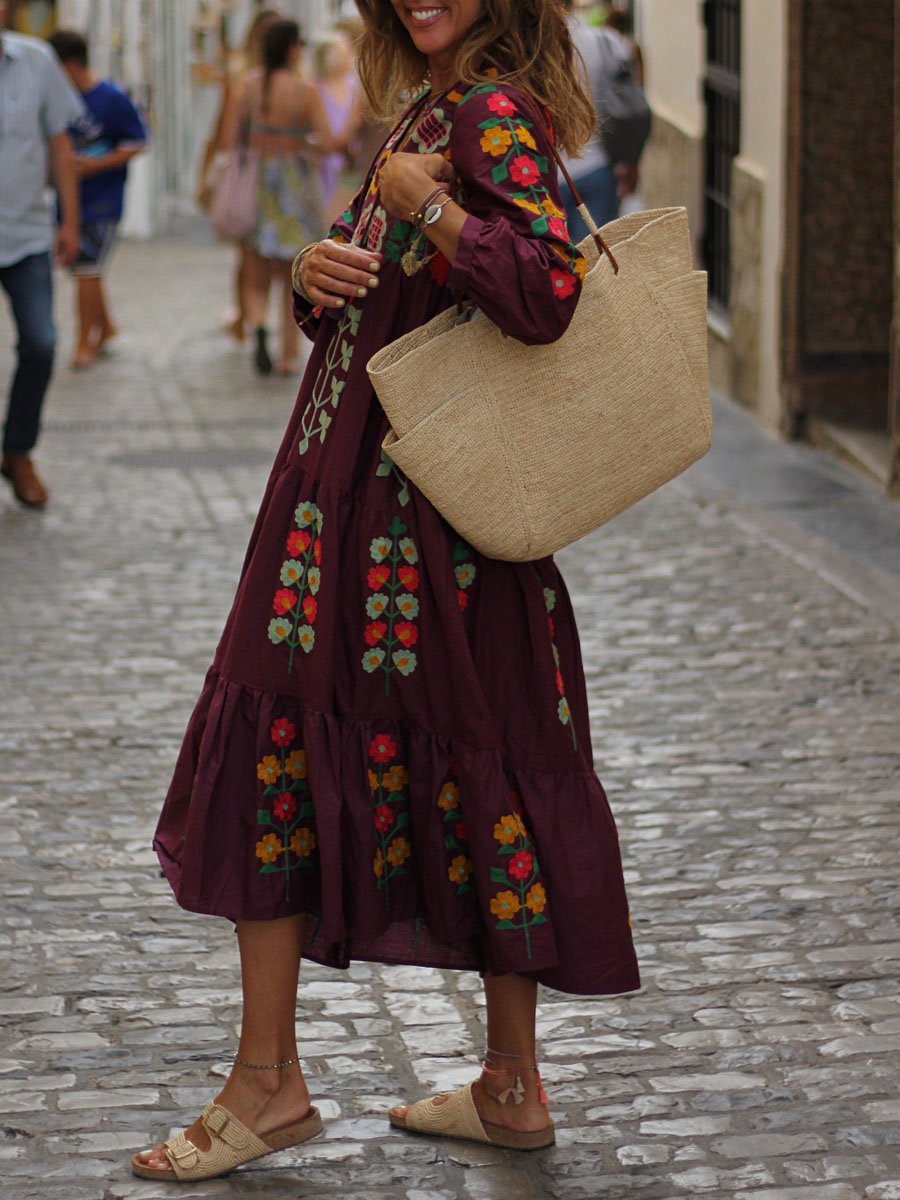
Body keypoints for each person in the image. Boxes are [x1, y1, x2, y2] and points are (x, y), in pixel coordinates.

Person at [133, 0, 638, 1183]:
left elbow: (550, 290)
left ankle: (271, 1085)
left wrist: (427, 203)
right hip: (360, 489)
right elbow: (384, 294)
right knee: (478, 741)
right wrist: (317, 275)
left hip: (413, 508)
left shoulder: (488, 112)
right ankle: (505, 1086)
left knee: (293, 730)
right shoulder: (422, 102)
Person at [0, 1, 83, 508]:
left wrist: (69, 221)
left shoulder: (36, 61)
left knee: (41, 343)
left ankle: (17, 450)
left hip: (27, 234)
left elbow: (59, 146)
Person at [227, 18, 331, 378]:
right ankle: (288, 355)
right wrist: (302, 142)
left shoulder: (249, 87)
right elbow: (327, 138)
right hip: (292, 186)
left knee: (255, 275)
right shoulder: (306, 90)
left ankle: (257, 326)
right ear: (292, 48)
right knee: (291, 275)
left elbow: (232, 137)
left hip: (257, 182)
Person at [47, 30, 148, 369]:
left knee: (87, 270)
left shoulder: (110, 98)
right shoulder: (59, 102)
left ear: (71, 65)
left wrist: (95, 165)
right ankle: (105, 329)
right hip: (69, 199)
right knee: (86, 269)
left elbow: (138, 142)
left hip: (102, 199)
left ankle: (84, 342)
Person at [196, 7, 282, 344]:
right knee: (278, 253)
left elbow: (225, 129)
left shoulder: (240, 74)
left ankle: (247, 317)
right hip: (281, 174)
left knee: (246, 250)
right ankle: (262, 317)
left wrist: (210, 167)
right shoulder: (296, 76)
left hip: (246, 171)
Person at [558, 0, 633, 240]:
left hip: (547, 173)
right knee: (596, 270)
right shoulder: (604, 41)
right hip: (595, 164)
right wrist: (630, 160)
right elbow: (627, 102)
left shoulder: (529, 47)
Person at [312, 31, 359, 213]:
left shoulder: (354, 86)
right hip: (324, 161)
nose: (349, 56)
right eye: (343, 52)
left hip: (350, 160)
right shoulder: (316, 88)